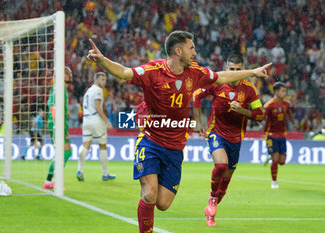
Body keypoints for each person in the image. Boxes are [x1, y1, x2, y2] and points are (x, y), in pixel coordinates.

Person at [87, 30, 271, 233]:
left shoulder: (195, 72)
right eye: (191, 48)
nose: (195, 52)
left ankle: (150, 190)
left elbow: (221, 76)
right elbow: (124, 72)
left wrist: (253, 72)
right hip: (150, 140)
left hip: (175, 147)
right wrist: (102, 60)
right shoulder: (153, 70)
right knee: (150, 193)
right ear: (178, 50)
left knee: (163, 203)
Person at [193, 54, 265, 226]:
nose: (234, 72)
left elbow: (260, 115)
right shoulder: (217, 82)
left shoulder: (249, 90)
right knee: (221, 165)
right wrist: (197, 121)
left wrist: (243, 111)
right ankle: (211, 197)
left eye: (238, 70)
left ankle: (212, 210)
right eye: (231, 69)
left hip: (236, 138)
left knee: (225, 182)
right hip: (215, 131)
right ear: (226, 69)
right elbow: (196, 94)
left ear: (243, 70)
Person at [76, 72, 116, 182]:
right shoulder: (98, 90)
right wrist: (107, 121)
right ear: (96, 79)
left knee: (86, 146)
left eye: (105, 79)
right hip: (96, 120)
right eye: (102, 79)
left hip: (86, 120)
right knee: (102, 146)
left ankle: (80, 170)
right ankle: (105, 174)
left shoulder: (88, 91)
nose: (104, 82)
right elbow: (98, 107)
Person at [42, 67, 73, 189]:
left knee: (61, 153)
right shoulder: (58, 89)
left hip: (57, 123)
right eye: (66, 73)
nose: (70, 75)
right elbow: (52, 106)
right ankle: (55, 180)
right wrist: (59, 127)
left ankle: (48, 181)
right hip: (57, 124)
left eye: (70, 73)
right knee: (66, 152)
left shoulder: (62, 89)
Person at [263, 82, 296, 189]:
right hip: (271, 135)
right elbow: (263, 118)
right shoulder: (269, 105)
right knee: (276, 159)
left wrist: (293, 123)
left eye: (285, 91)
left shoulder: (286, 104)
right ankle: (274, 182)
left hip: (282, 135)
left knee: (282, 162)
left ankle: (270, 155)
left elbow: (288, 114)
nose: (285, 93)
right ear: (276, 92)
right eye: (283, 91)